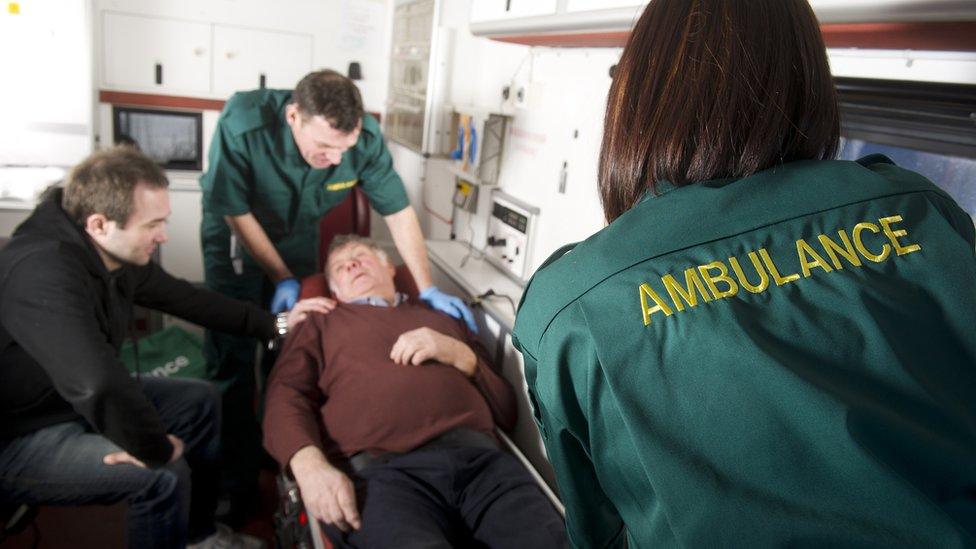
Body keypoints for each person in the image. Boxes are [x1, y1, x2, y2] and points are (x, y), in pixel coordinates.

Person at [512, 0, 976, 547]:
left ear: (632, 105)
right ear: (809, 85)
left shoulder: (570, 306)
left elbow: (600, 527)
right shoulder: (922, 212)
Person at [0, 147, 332, 548]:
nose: (164, 236)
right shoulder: (42, 270)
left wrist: (278, 325)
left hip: (65, 402)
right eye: (153, 225)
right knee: (163, 475)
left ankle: (199, 537)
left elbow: (189, 300)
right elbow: (96, 382)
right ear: (100, 224)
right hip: (19, 435)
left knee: (200, 400)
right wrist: (152, 446)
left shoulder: (110, 252)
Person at [200, 69, 475, 515]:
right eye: (323, 147)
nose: (333, 158)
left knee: (289, 350)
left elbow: (399, 211)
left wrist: (427, 288)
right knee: (231, 357)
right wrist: (280, 278)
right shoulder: (244, 123)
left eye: (342, 150)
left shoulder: (360, 140)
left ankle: (280, 454)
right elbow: (234, 209)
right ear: (294, 116)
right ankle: (235, 481)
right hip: (236, 238)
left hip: (297, 237)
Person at [263, 235, 567, 548]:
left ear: (390, 268)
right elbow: (284, 395)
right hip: (381, 477)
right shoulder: (319, 325)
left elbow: (507, 412)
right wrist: (309, 467)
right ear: (335, 291)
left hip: (483, 466)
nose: (351, 264)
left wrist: (462, 355)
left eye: (361, 256)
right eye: (340, 267)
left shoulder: (443, 316)